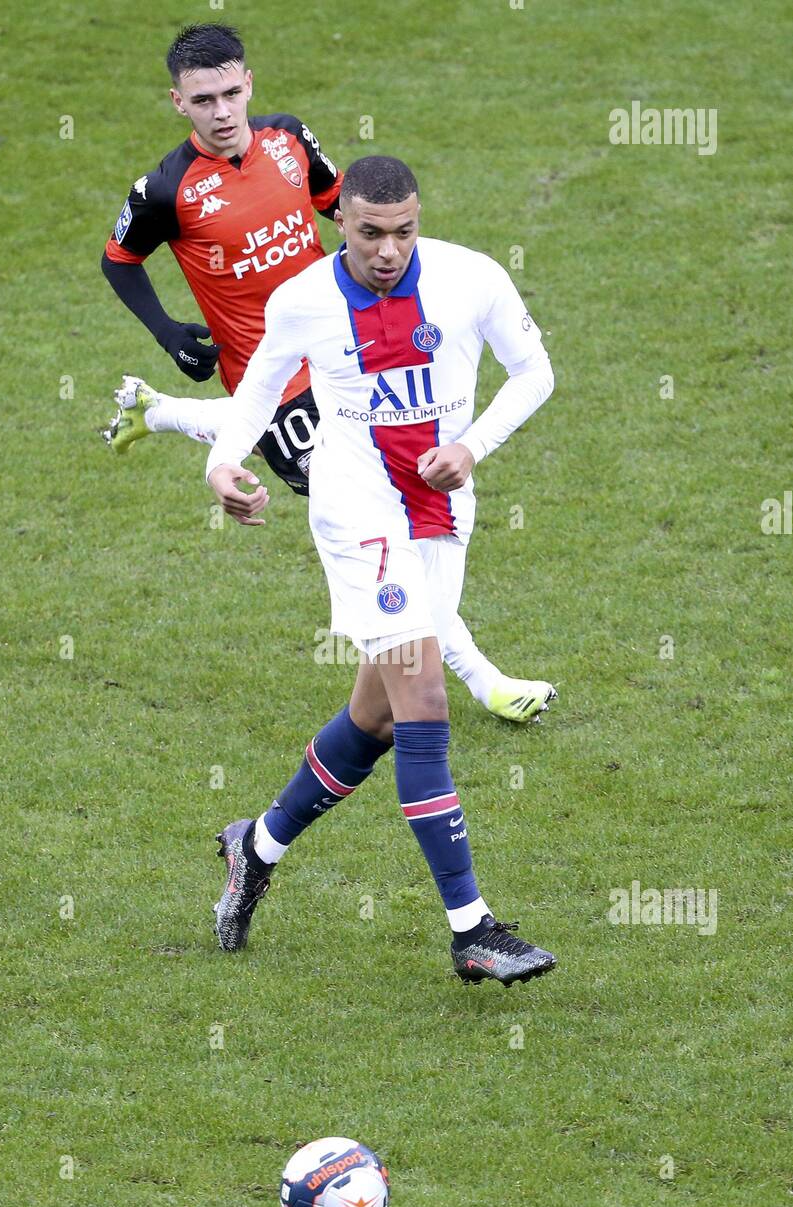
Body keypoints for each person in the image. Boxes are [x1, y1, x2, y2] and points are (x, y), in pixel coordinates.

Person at [101, 21, 556, 725]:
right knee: (390, 521)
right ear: (177, 102)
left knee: (406, 509)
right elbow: (118, 259)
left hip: (348, 351)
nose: (221, 112)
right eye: (202, 100)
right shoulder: (166, 189)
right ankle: (482, 680)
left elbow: (344, 210)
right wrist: (166, 333)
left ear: (248, 84)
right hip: (270, 373)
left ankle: (151, 411)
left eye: (230, 93)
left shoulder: (288, 140)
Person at [204, 155, 558, 987]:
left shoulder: (471, 279)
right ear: (341, 224)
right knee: (426, 699)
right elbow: (256, 394)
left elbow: (534, 372)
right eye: (370, 232)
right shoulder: (303, 301)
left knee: (380, 716)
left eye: (403, 231)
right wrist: (221, 464)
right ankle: (473, 930)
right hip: (356, 512)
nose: (389, 249)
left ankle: (254, 846)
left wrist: (472, 446)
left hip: (439, 507)